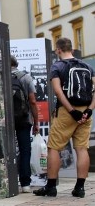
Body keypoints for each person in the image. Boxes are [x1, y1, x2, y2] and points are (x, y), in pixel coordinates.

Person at [34, 37, 95, 197]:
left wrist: (72, 111)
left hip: (66, 112)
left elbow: (58, 91)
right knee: (82, 148)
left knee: (54, 148)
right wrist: (88, 111)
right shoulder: (87, 67)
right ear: (72, 50)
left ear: (58, 50)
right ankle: (80, 188)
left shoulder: (58, 66)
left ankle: (51, 186)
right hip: (86, 111)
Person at [11, 56, 39, 192]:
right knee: (25, 150)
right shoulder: (25, 77)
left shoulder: (0, 76)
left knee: (6, 150)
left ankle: (8, 181)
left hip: (6, 120)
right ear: (16, 64)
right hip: (23, 119)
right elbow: (32, 101)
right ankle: (25, 184)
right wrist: (36, 122)